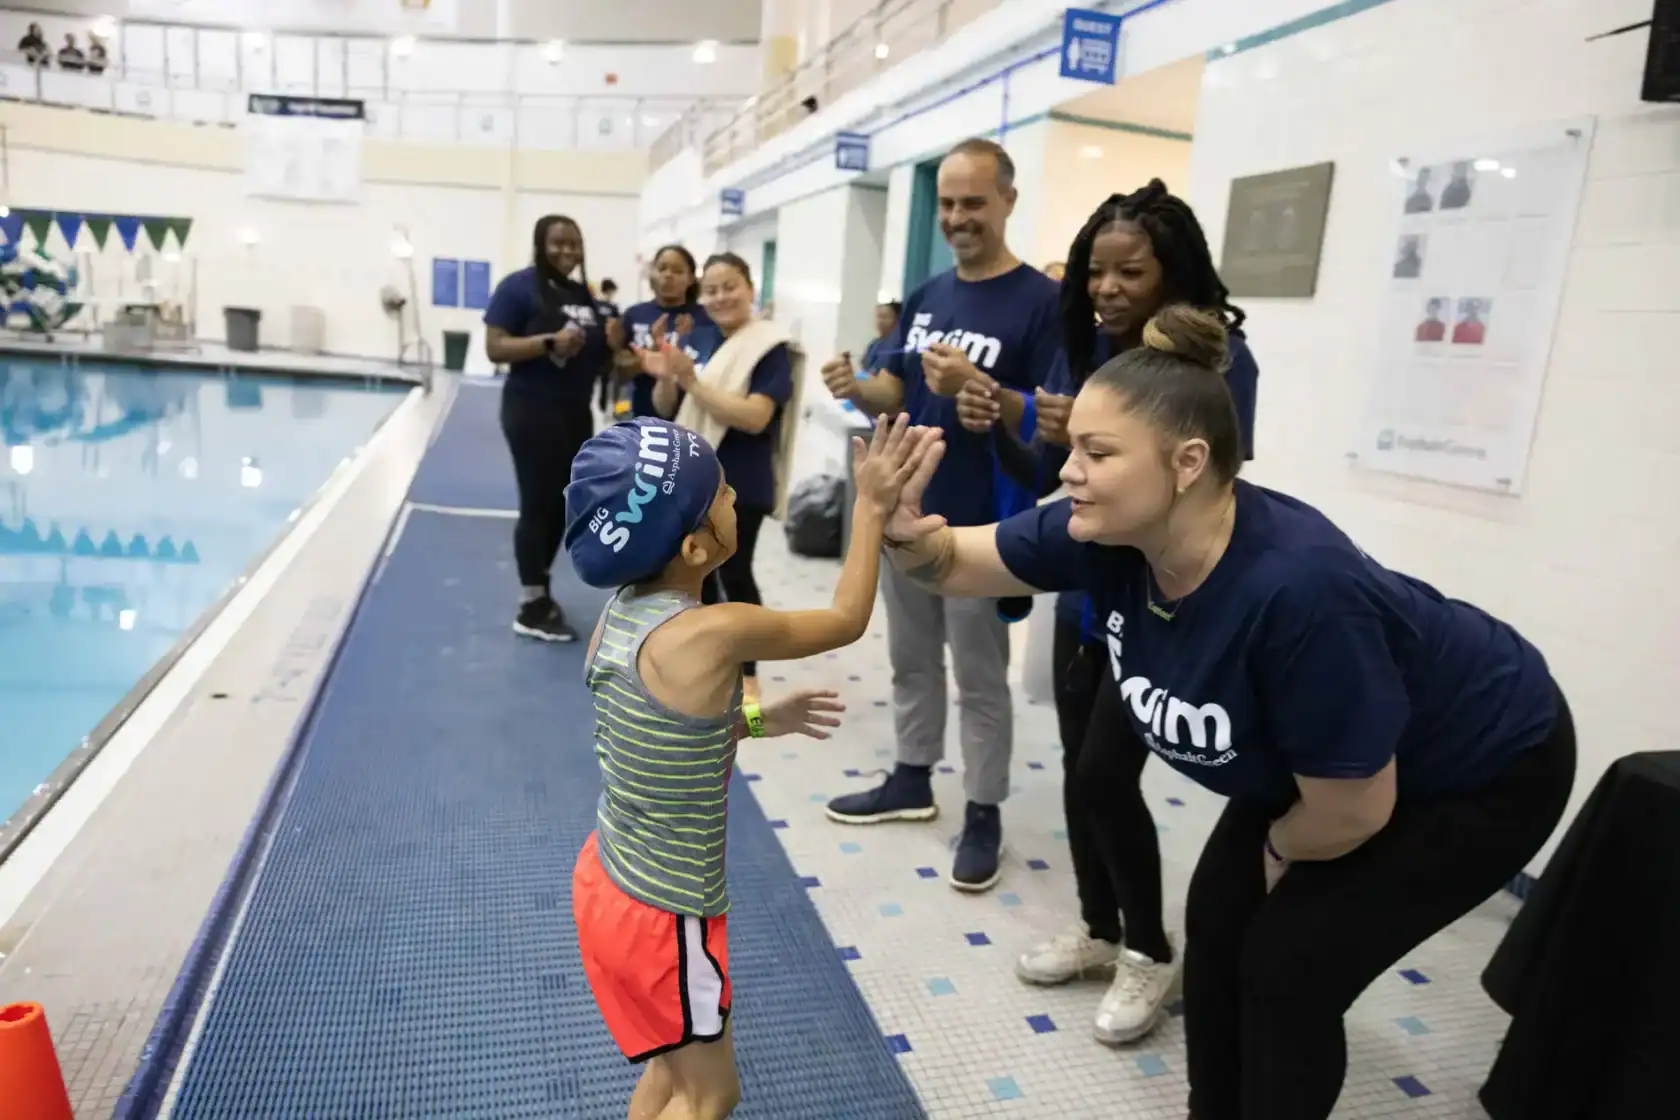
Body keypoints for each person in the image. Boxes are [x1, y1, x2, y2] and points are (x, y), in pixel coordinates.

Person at [874, 304, 1576, 1120]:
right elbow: (954, 559)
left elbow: (1354, 810)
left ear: (1187, 462)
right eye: (1073, 449)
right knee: (1216, 923)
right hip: (1328, 767)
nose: (1068, 470)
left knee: (1289, 966)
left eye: (1098, 453)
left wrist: (1280, 846)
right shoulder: (1100, 529)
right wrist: (901, 529)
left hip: (1483, 766)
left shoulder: (1297, 592)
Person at [566, 413, 940, 1120]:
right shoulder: (714, 631)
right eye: (725, 495)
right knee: (711, 1094)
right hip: (666, 914)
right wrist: (871, 508)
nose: (738, 498)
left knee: (669, 1074)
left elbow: (667, 741)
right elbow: (846, 617)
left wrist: (768, 718)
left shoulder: (618, 614)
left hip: (607, 880)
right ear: (696, 546)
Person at [955, 181, 1258, 1044]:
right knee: (1078, 770)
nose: (1109, 288)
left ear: (1175, 273)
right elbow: (1048, 476)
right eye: (1097, 271)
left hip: (1158, 605)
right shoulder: (1080, 345)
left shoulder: (1220, 359)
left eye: (1132, 271)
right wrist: (1007, 426)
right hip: (1086, 600)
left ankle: (1148, 950)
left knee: (1101, 777)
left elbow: (1212, 483)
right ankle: (1098, 926)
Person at [818, 136, 1062, 892]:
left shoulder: (1043, 304)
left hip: (983, 525)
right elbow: (902, 391)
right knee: (911, 658)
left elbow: (1055, 420)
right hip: (906, 510)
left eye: (973, 203)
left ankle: (983, 808)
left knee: (981, 677)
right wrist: (858, 387)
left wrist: (979, 381)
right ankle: (913, 775)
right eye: (949, 204)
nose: (958, 217)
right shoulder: (926, 296)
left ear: (1008, 202)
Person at [636, 252, 802, 700]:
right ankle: (704, 661)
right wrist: (669, 375)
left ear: (751, 289)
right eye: (710, 289)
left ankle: (748, 674)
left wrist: (691, 382)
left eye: (730, 285)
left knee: (737, 575)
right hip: (698, 481)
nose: (720, 296)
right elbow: (669, 407)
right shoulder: (706, 339)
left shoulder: (770, 348)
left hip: (741, 484)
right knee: (697, 577)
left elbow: (753, 416)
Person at [483, 214, 611, 642]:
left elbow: (596, 355)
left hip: (575, 413)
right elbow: (495, 346)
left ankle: (540, 588)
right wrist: (547, 343)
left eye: (574, 244)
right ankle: (531, 603)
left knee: (564, 505)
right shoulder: (517, 287)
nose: (567, 251)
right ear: (541, 244)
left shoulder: (581, 294)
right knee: (537, 504)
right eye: (557, 243)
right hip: (531, 411)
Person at [616, 246, 711, 419]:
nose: (668, 275)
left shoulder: (706, 317)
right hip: (643, 417)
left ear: (690, 278)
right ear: (652, 273)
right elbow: (619, 371)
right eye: (662, 268)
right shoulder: (635, 315)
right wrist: (648, 355)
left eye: (677, 270)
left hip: (693, 417)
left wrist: (688, 341)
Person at [594, 279, 623, 414]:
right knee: (605, 379)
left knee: (599, 378)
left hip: (597, 346)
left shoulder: (593, 305)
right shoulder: (612, 308)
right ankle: (603, 406)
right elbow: (618, 326)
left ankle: (601, 406)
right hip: (607, 347)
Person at [860, 301, 901, 374]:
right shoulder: (873, 345)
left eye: (885, 317)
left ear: (897, 319)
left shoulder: (899, 346)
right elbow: (865, 372)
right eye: (879, 317)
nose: (880, 322)